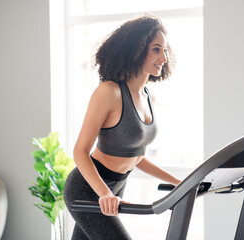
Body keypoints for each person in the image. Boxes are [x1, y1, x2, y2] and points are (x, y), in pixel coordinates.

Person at [63, 15, 181, 240]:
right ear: (136, 49)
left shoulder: (148, 97)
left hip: (116, 186)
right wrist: (104, 194)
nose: (163, 57)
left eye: (165, 50)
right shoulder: (109, 92)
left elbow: (135, 157)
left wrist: (179, 182)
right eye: (156, 49)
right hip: (87, 189)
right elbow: (80, 152)